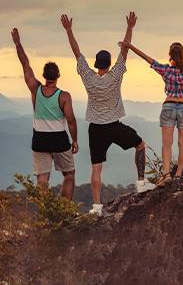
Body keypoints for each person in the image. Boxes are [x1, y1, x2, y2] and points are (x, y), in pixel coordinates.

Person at [61, 12, 151, 216]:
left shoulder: (88, 77)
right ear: (109, 64)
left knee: (96, 168)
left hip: (96, 129)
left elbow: (76, 52)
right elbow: (125, 51)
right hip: (114, 126)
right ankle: (141, 182)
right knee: (140, 145)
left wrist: (69, 30)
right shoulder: (116, 75)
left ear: (96, 64)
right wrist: (130, 27)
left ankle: (97, 207)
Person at [119, 18, 183, 186]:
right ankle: (178, 175)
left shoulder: (165, 70)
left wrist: (130, 46)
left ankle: (166, 174)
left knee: (166, 144)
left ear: (170, 55)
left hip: (168, 106)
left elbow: (147, 58)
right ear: (182, 54)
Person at [11, 28, 78, 200]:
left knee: (42, 179)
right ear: (58, 76)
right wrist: (75, 140)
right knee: (69, 175)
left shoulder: (35, 88)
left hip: (39, 139)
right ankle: (64, 211)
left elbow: (25, 64)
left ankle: (46, 215)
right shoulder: (63, 96)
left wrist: (18, 43)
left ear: (43, 76)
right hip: (59, 139)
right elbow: (70, 120)